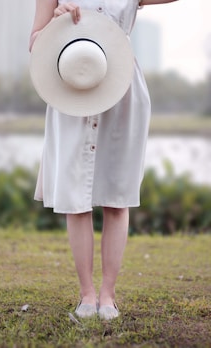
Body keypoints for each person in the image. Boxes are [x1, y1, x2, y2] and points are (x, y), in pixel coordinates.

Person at [29, 0, 179, 320]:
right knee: (75, 197)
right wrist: (55, 24)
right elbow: (34, 41)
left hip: (121, 87)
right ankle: (86, 294)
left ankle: (108, 295)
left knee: (117, 193)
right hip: (69, 86)